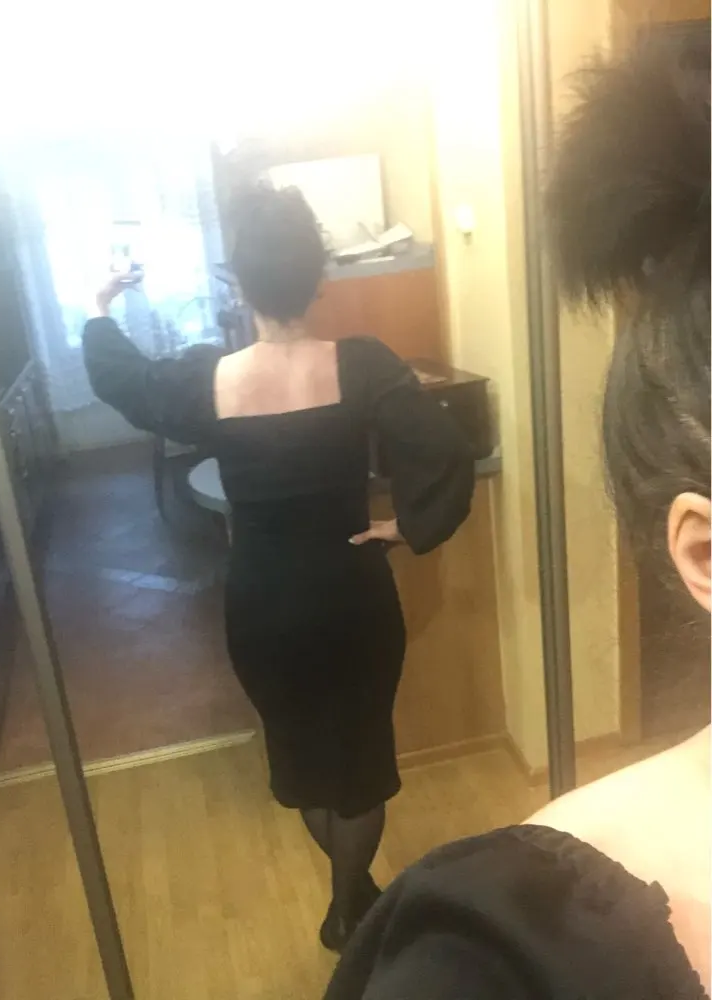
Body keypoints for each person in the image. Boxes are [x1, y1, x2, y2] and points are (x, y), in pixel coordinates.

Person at [324, 35, 710, 1000]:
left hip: (293, 589)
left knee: (327, 768)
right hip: (330, 593)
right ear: (704, 554)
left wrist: (410, 528)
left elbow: (442, 452)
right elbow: (444, 454)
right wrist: (414, 526)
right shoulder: (493, 960)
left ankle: (337, 891)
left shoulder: (258, 371)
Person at [81, 184, 475, 951]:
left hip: (262, 603)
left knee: (301, 758)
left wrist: (99, 307)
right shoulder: (363, 364)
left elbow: (123, 380)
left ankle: (352, 905)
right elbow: (446, 449)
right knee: (361, 758)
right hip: (353, 596)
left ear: (239, 282)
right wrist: (410, 527)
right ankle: (354, 906)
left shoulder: (208, 378)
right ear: (318, 278)